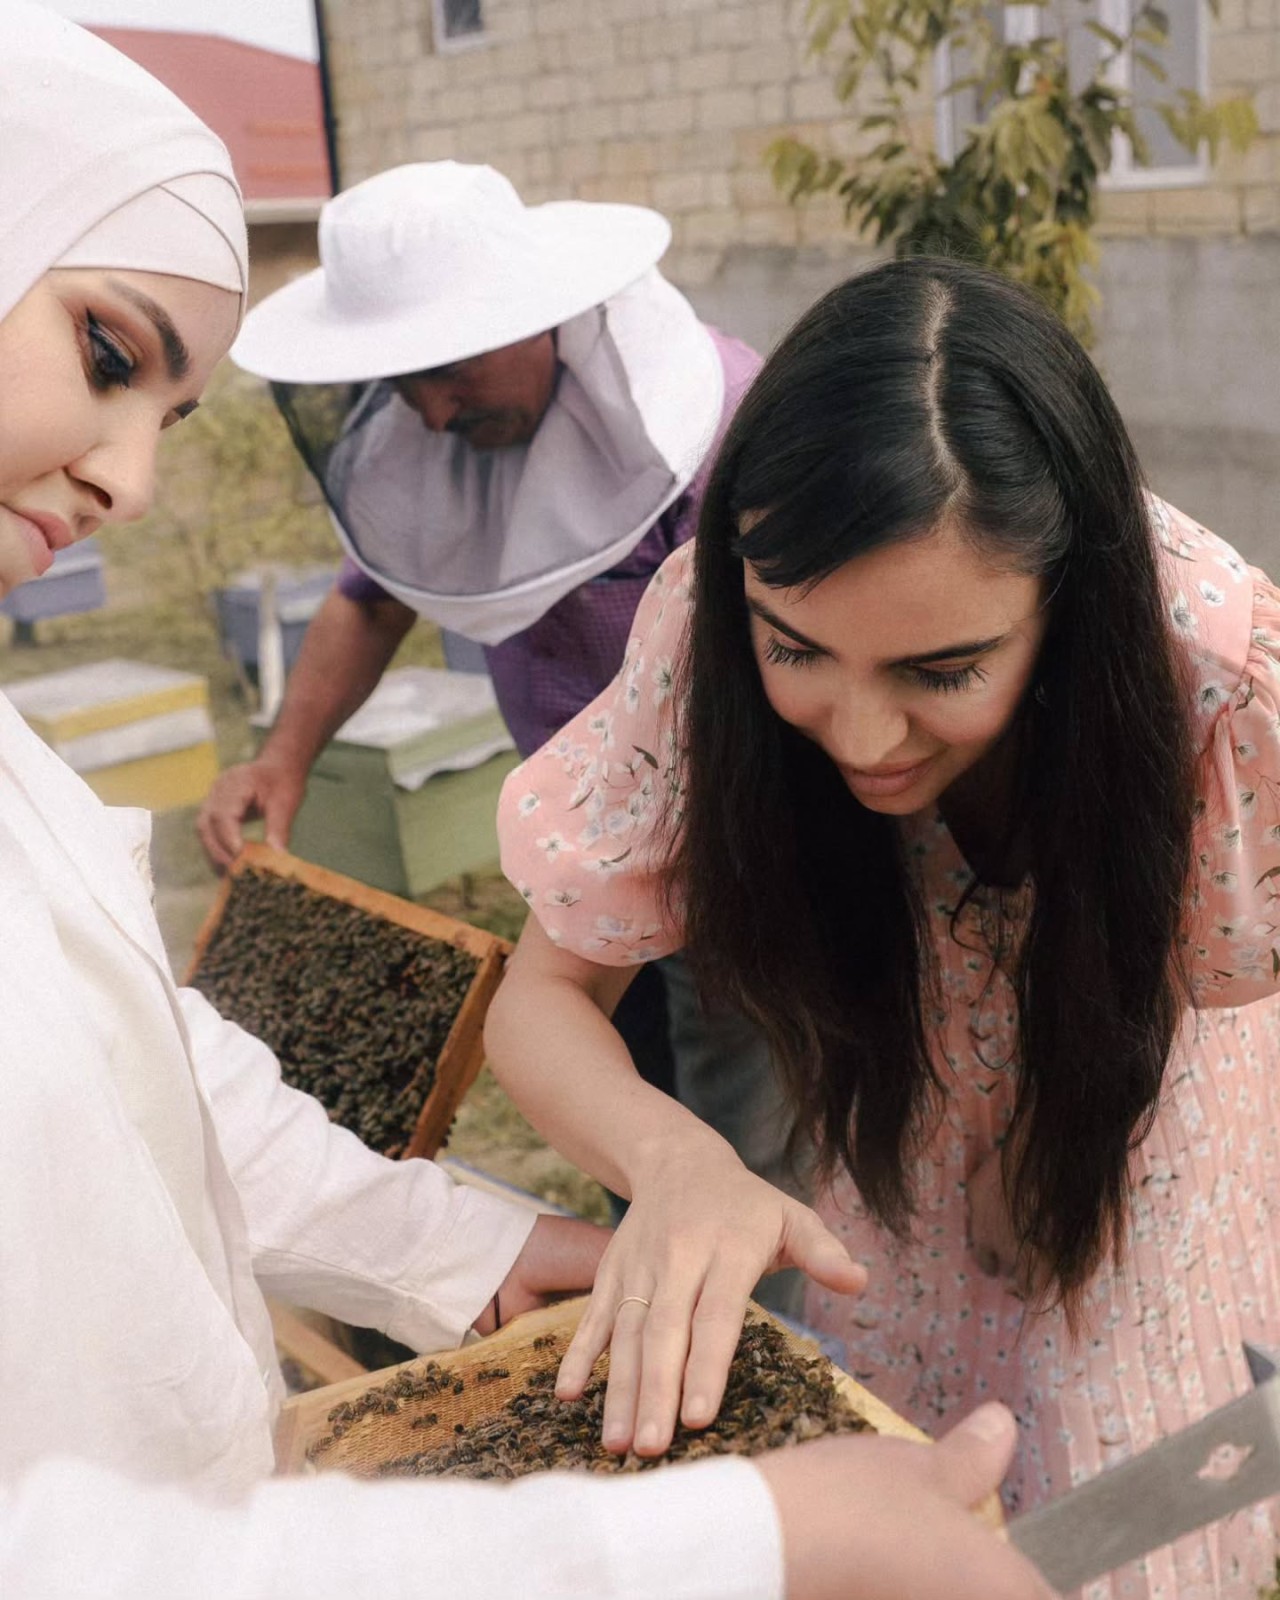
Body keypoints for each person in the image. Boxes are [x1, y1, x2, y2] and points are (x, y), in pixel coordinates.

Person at [0, 10, 1054, 1599]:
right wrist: (739, 1529)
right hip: (590, 867)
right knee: (653, 1120)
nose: (129, 487)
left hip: (768, 874)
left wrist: (468, 1246)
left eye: (152, 396)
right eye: (104, 356)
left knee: (751, 1146)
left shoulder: (733, 434)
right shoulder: (433, 439)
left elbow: (137, 1066)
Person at [489, 257, 1280, 1596]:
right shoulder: (705, 628)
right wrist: (674, 1160)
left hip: (1144, 1158)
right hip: (900, 1161)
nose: (862, 737)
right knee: (903, 1497)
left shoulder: (1210, 671)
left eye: (942, 672)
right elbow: (541, 995)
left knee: (1110, 1521)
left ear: (1068, 610)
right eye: (798, 651)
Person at [198, 161, 807, 1305]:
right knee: (623, 1105)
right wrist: (282, 755)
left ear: (536, 318)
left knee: (737, 1126)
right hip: (587, 857)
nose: (432, 409)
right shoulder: (419, 439)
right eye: (404, 382)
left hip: (735, 830)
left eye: (451, 371)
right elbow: (366, 595)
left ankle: (751, 1361)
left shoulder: (709, 412)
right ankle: (650, 1283)